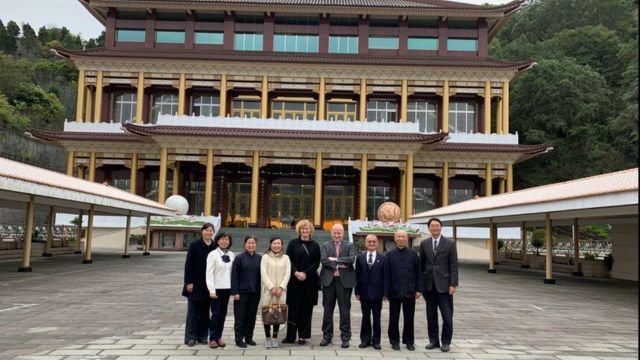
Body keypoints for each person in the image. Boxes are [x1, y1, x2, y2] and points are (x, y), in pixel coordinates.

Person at [420, 217, 458, 353]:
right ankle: (434, 341)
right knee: (431, 316)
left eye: (437, 226)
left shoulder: (449, 244)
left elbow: (453, 265)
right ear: (429, 228)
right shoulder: (424, 244)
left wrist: (453, 284)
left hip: (445, 286)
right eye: (432, 226)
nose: (434, 228)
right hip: (429, 286)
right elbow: (421, 265)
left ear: (440, 227)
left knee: (447, 316)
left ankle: (446, 342)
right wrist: (420, 286)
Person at [283, 219, 321, 345]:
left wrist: (305, 273)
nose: (305, 231)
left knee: (306, 309)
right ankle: (290, 336)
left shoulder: (315, 245)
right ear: (299, 230)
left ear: (311, 230)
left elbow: (316, 263)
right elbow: (288, 259)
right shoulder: (293, 244)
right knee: (293, 308)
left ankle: (303, 336)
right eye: (302, 229)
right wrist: (296, 272)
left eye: (307, 229)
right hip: (294, 281)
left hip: (309, 282)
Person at [319, 223, 356, 348]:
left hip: (344, 282)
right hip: (329, 282)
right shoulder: (325, 245)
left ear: (343, 233)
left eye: (339, 233)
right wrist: (340, 265)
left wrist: (334, 260)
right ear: (331, 233)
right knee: (327, 310)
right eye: (334, 233)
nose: (336, 235)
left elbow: (351, 259)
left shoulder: (349, 245)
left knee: (344, 311)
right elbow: (324, 260)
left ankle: (345, 338)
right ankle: (327, 336)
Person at [384, 230, 421, 351]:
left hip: (409, 291)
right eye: (398, 237)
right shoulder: (389, 255)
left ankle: (409, 341)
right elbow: (386, 275)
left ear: (407, 239)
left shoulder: (413, 254)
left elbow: (418, 273)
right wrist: (386, 292)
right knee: (393, 318)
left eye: (403, 237)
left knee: (409, 318)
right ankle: (394, 341)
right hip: (394, 291)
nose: (401, 239)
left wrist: (418, 289)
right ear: (395, 239)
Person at [182, 223, 217, 347]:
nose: (208, 233)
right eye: (206, 230)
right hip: (195, 283)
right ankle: (190, 337)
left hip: (208, 285)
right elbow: (188, 265)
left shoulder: (215, 246)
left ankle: (202, 336)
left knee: (205, 311)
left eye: (211, 230)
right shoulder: (194, 245)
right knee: (193, 311)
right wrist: (188, 282)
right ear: (202, 232)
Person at [355, 234, 385, 350]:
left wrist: (385, 293)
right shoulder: (360, 258)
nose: (371, 243)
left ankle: (376, 341)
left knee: (377, 317)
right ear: (365, 243)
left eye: (373, 242)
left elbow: (385, 277)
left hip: (377, 293)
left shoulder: (383, 258)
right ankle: (365, 340)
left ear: (377, 243)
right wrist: (357, 291)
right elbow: (357, 275)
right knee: (365, 317)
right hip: (364, 293)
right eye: (369, 242)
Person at [231, 235, 262, 348]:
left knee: (251, 316)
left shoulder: (260, 258)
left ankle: (249, 337)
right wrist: (235, 292)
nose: (251, 245)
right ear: (245, 244)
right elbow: (234, 277)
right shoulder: (239, 258)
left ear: (256, 245)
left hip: (255, 292)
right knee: (240, 317)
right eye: (249, 243)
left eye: (253, 243)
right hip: (241, 293)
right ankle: (239, 339)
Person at [260, 236, 291, 348]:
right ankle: (267, 338)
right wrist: (271, 287)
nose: (276, 245)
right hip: (268, 291)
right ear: (270, 244)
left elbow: (287, 273)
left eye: (279, 243)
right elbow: (263, 274)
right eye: (274, 243)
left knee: (278, 314)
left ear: (281, 245)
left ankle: (275, 338)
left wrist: (281, 287)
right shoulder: (265, 257)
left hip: (281, 291)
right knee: (267, 314)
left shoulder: (286, 258)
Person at [206, 232, 235, 348]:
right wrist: (211, 290)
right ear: (217, 241)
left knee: (223, 314)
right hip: (216, 289)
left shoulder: (232, 255)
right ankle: (212, 338)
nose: (224, 242)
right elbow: (209, 273)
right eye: (222, 239)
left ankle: (219, 337)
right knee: (216, 314)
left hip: (227, 289)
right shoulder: (212, 254)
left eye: (227, 240)